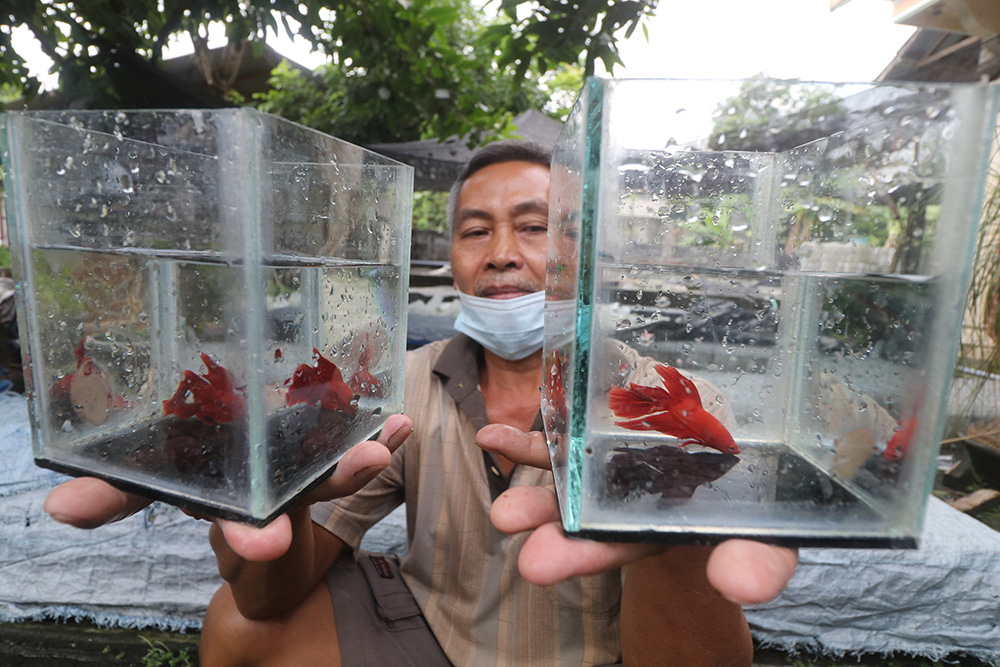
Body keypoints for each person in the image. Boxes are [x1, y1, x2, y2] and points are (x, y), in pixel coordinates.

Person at [44, 140, 798, 666]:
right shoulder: (396, 382)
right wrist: (262, 495)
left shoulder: (667, 406)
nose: (502, 250)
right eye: (477, 230)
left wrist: (668, 538)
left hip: (603, 654)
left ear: (583, 249)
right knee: (239, 619)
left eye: (534, 226)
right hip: (425, 638)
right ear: (452, 260)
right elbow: (276, 595)